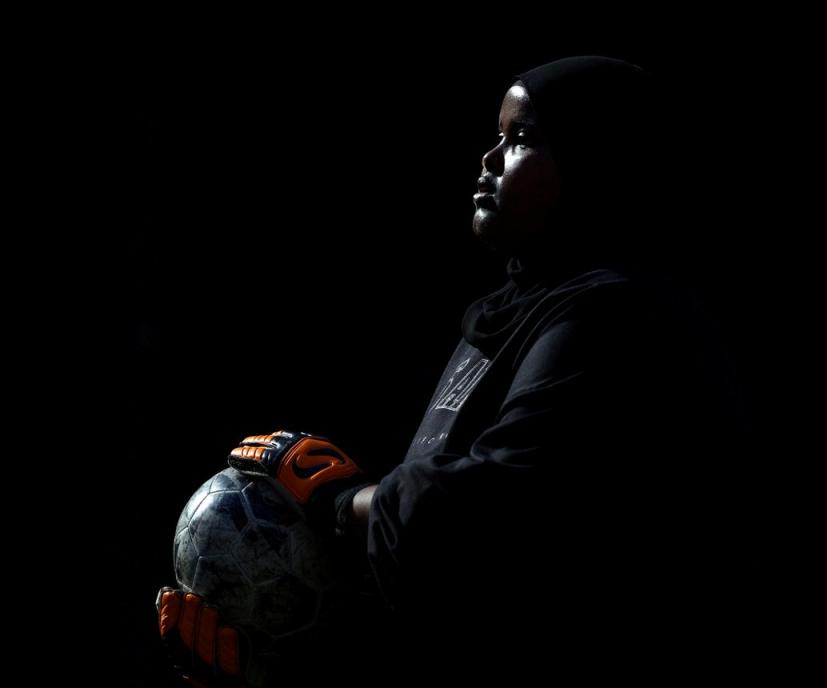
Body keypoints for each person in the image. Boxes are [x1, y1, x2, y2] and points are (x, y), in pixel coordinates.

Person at [158, 56, 755, 684]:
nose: (491, 158)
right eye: (497, 135)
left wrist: (337, 499)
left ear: (600, 164)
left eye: (522, 138)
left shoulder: (620, 320)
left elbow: (493, 513)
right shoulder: (505, 317)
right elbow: (450, 591)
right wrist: (277, 650)